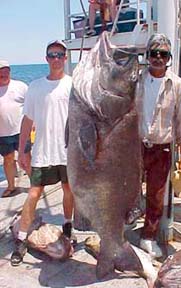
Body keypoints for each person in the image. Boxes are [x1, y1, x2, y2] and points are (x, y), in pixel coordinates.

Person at [10, 40, 76, 266]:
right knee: (33, 194)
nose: (56, 58)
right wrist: (22, 150)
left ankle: (68, 226)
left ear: (65, 59)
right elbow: (27, 121)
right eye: (52, 55)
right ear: (46, 58)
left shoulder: (74, 85)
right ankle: (20, 239)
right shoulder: (35, 87)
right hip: (42, 153)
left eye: (60, 55)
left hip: (68, 152)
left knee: (69, 191)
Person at [135, 33, 181, 258]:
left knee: (156, 196)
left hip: (163, 149)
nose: (158, 58)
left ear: (169, 57)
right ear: (147, 56)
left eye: (163, 54)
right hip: (136, 147)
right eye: (154, 53)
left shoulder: (178, 85)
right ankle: (121, 231)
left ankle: (148, 237)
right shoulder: (135, 80)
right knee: (128, 191)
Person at [0, 60, 28, 197]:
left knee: (27, 158)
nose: (3, 73)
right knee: (8, 159)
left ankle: (36, 186)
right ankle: (11, 187)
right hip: (3, 134)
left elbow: (31, 107)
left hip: (22, 131)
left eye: (6, 71)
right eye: (1, 71)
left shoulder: (21, 86)